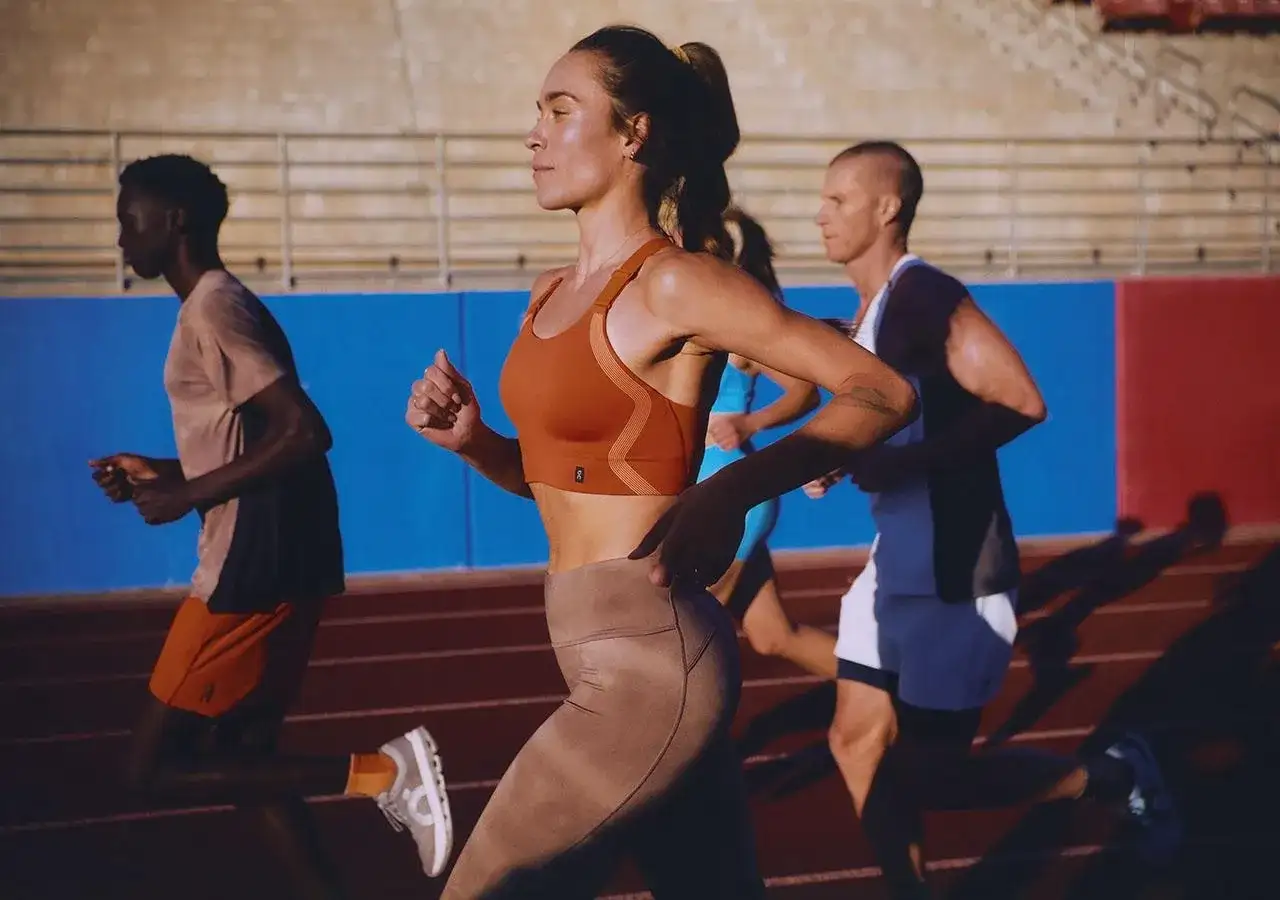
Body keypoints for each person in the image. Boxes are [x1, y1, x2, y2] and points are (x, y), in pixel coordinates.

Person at [404, 25, 918, 899]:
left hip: (648, 662)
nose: (535, 133)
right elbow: (563, 482)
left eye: (561, 112)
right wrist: (477, 444)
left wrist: (730, 494)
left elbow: (882, 393)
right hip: (604, 642)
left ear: (633, 134)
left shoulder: (676, 283)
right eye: (537, 112)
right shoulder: (549, 295)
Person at [806, 141, 1180, 898]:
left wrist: (899, 465)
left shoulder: (923, 294)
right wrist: (851, 457)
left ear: (888, 209)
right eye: (822, 199)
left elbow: (1020, 398)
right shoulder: (875, 311)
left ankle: (1114, 774)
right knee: (854, 742)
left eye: (838, 200)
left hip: (955, 567)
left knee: (933, 777)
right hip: (899, 560)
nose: (820, 214)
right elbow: (903, 426)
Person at [90, 154, 453, 898]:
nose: (122, 239)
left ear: (174, 222)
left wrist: (188, 489)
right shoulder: (218, 305)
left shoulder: (214, 308)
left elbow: (302, 431)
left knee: (149, 767)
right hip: (277, 556)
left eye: (130, 221)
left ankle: (384, 773)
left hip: (247, 569)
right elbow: (252, 437)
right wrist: (165, 472)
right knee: (248, 758)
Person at [697, 206, 837, 680]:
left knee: (688, 629)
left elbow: (805, 390)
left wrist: (749, 423)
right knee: (773, 635)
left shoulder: (740, 333)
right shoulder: (695, 321)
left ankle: (698, 752)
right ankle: (887, 690)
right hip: (712, 491)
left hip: (732, 492)